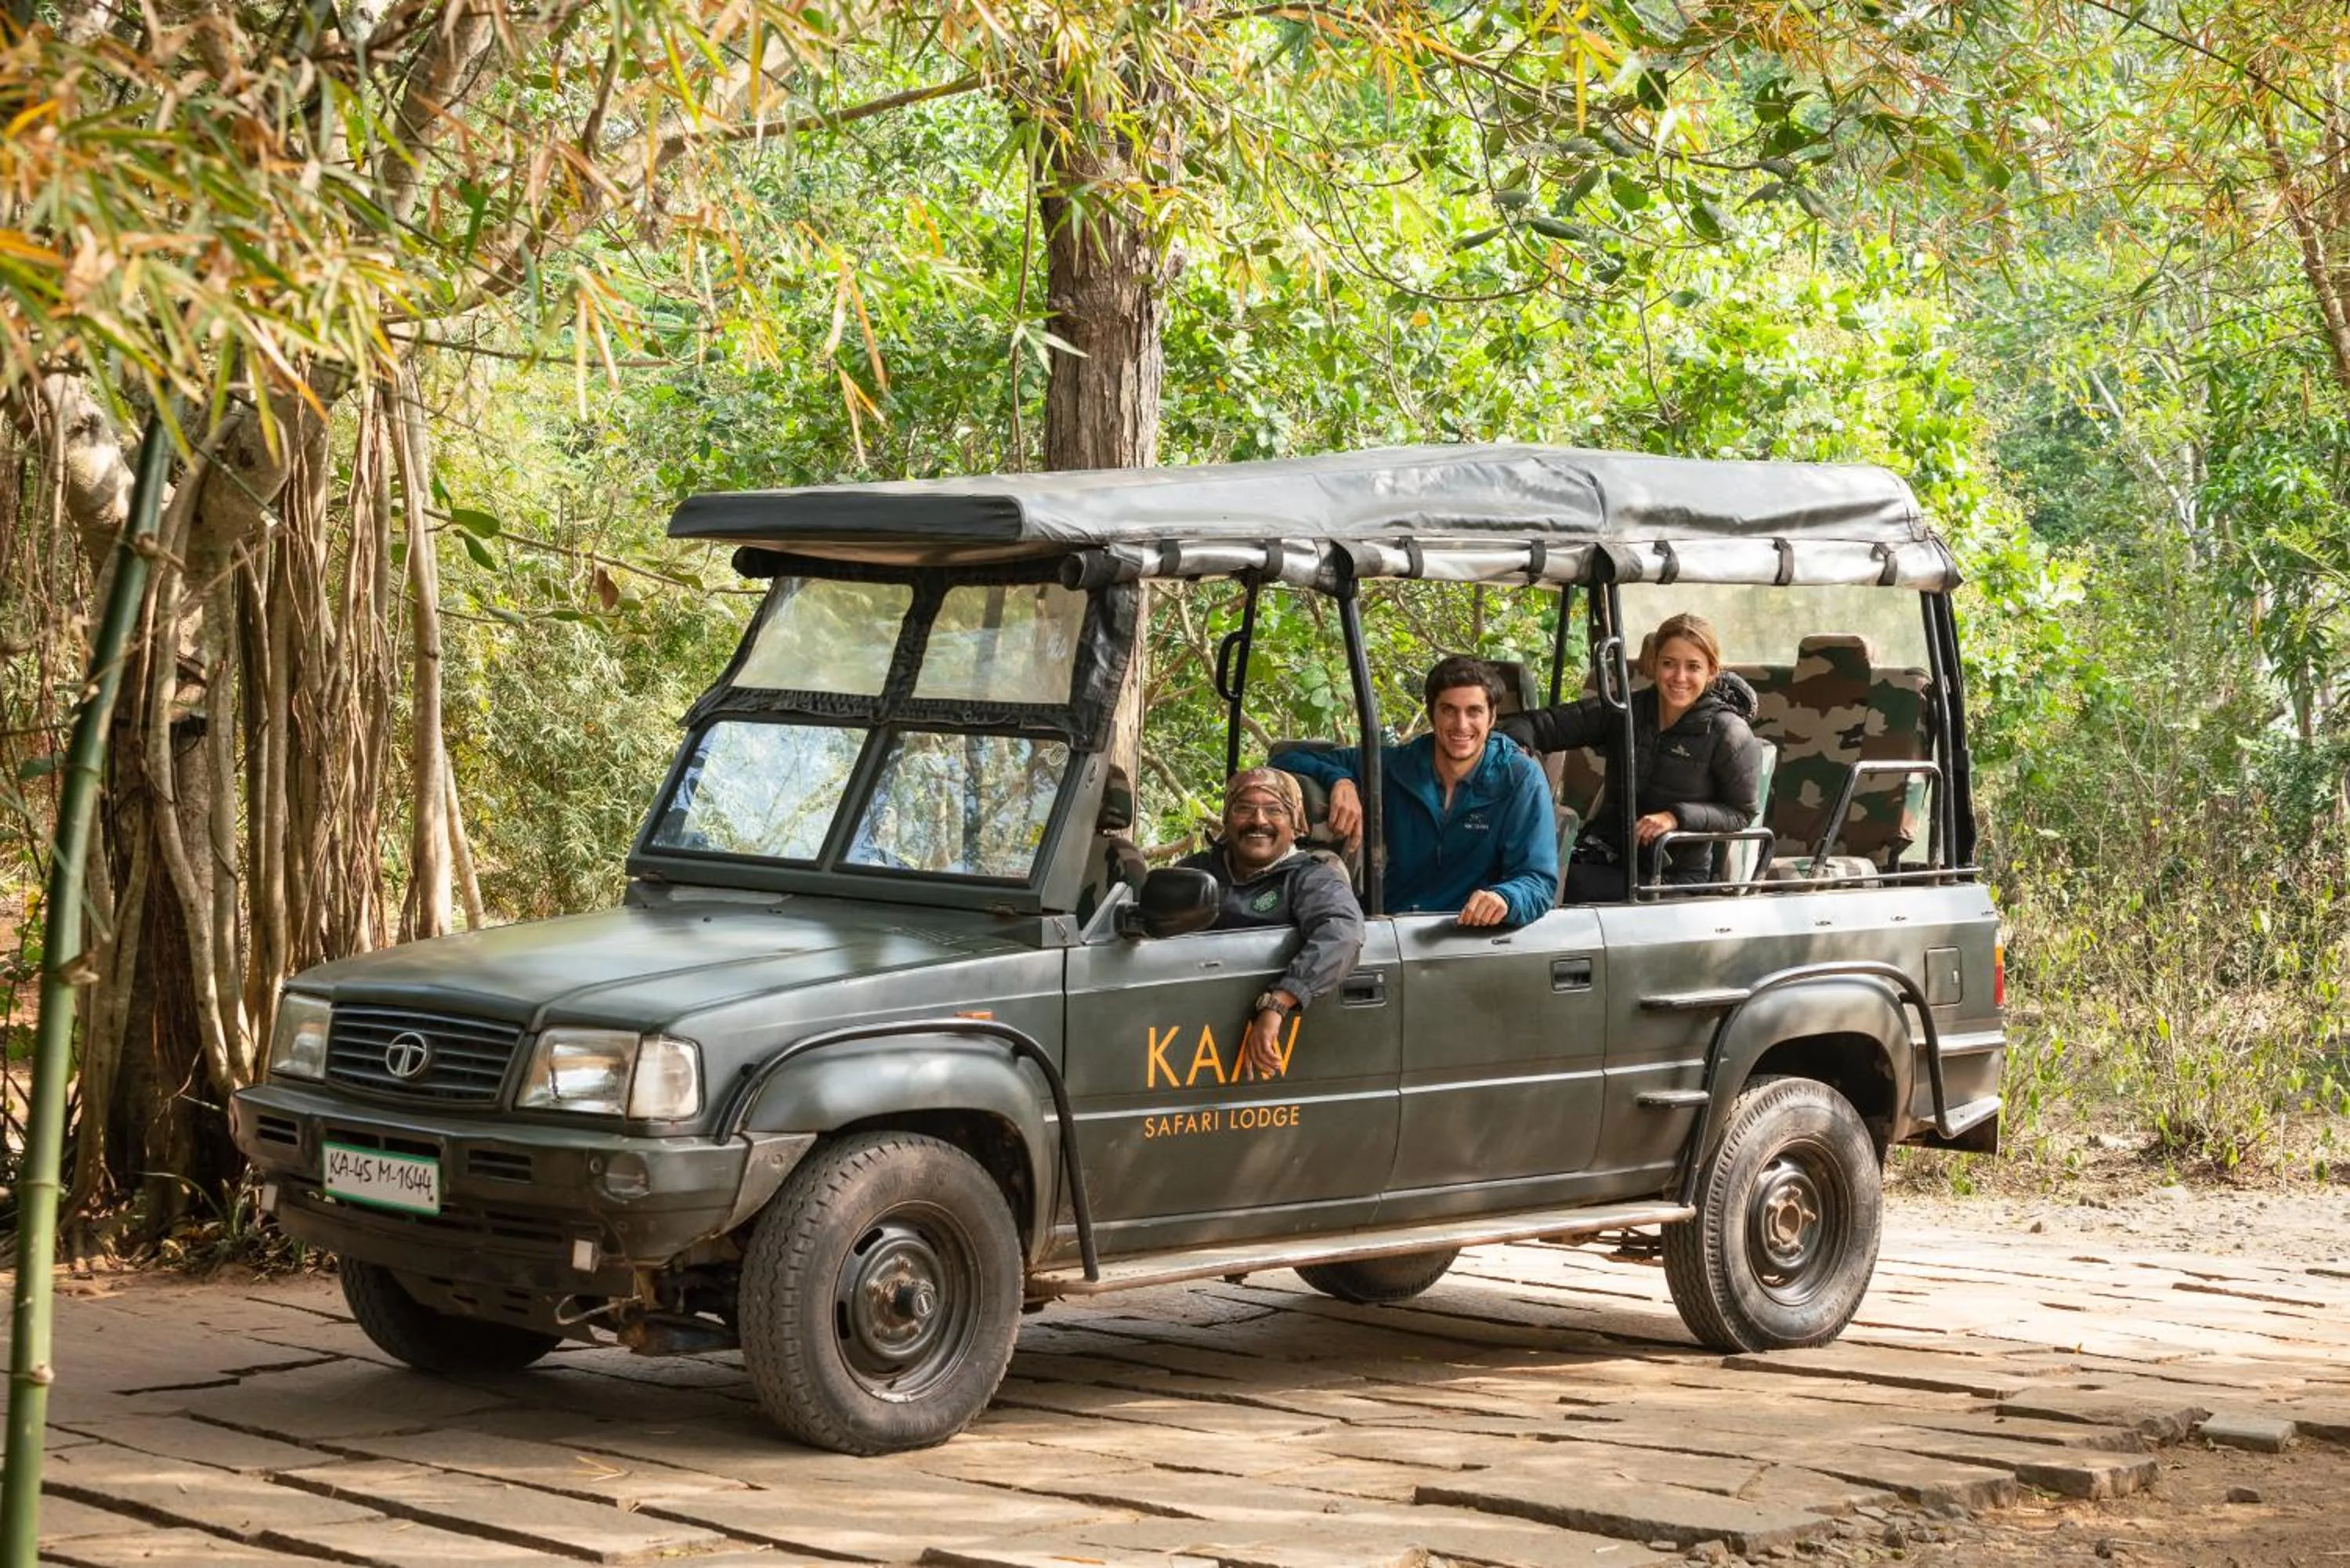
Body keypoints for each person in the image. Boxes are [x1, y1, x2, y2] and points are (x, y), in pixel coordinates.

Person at [1274, 655, 1558, 929]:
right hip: (1391, 926)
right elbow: (1286, 758)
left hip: (1469, 933)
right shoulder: (1399, 765)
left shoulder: (1518, 777)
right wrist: (1341, 781)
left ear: (1492, 716)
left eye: (1474, 711)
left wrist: (1505, 898)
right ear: (1432, 714)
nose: (1461, 725)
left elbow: (1538, 880)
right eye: (1449, 710)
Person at [1499, 612, 1763, 902]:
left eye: (1693, 667)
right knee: (1516, 869)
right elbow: (1544, 725)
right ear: (1653, 664)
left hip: (1670, 878)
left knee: (1562, 885)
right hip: (1606, 856)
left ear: (1711, 671)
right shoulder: (1626, 712)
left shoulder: (1728, 732)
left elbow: (1741, 813)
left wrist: (1677, 816)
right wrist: (1515, 745)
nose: (1679, 677)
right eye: (1669, 664)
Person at [1176, 768, 1365, 1081]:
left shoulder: (1310, 877)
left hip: (1268, 1053)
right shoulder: (1196, 872)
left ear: (1295, 826)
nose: (1259, 820)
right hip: (1185, 1034)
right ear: (1226, 819)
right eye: (1244, 808)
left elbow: (1342, 931)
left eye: (1275, 810)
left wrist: (1280, 1001)